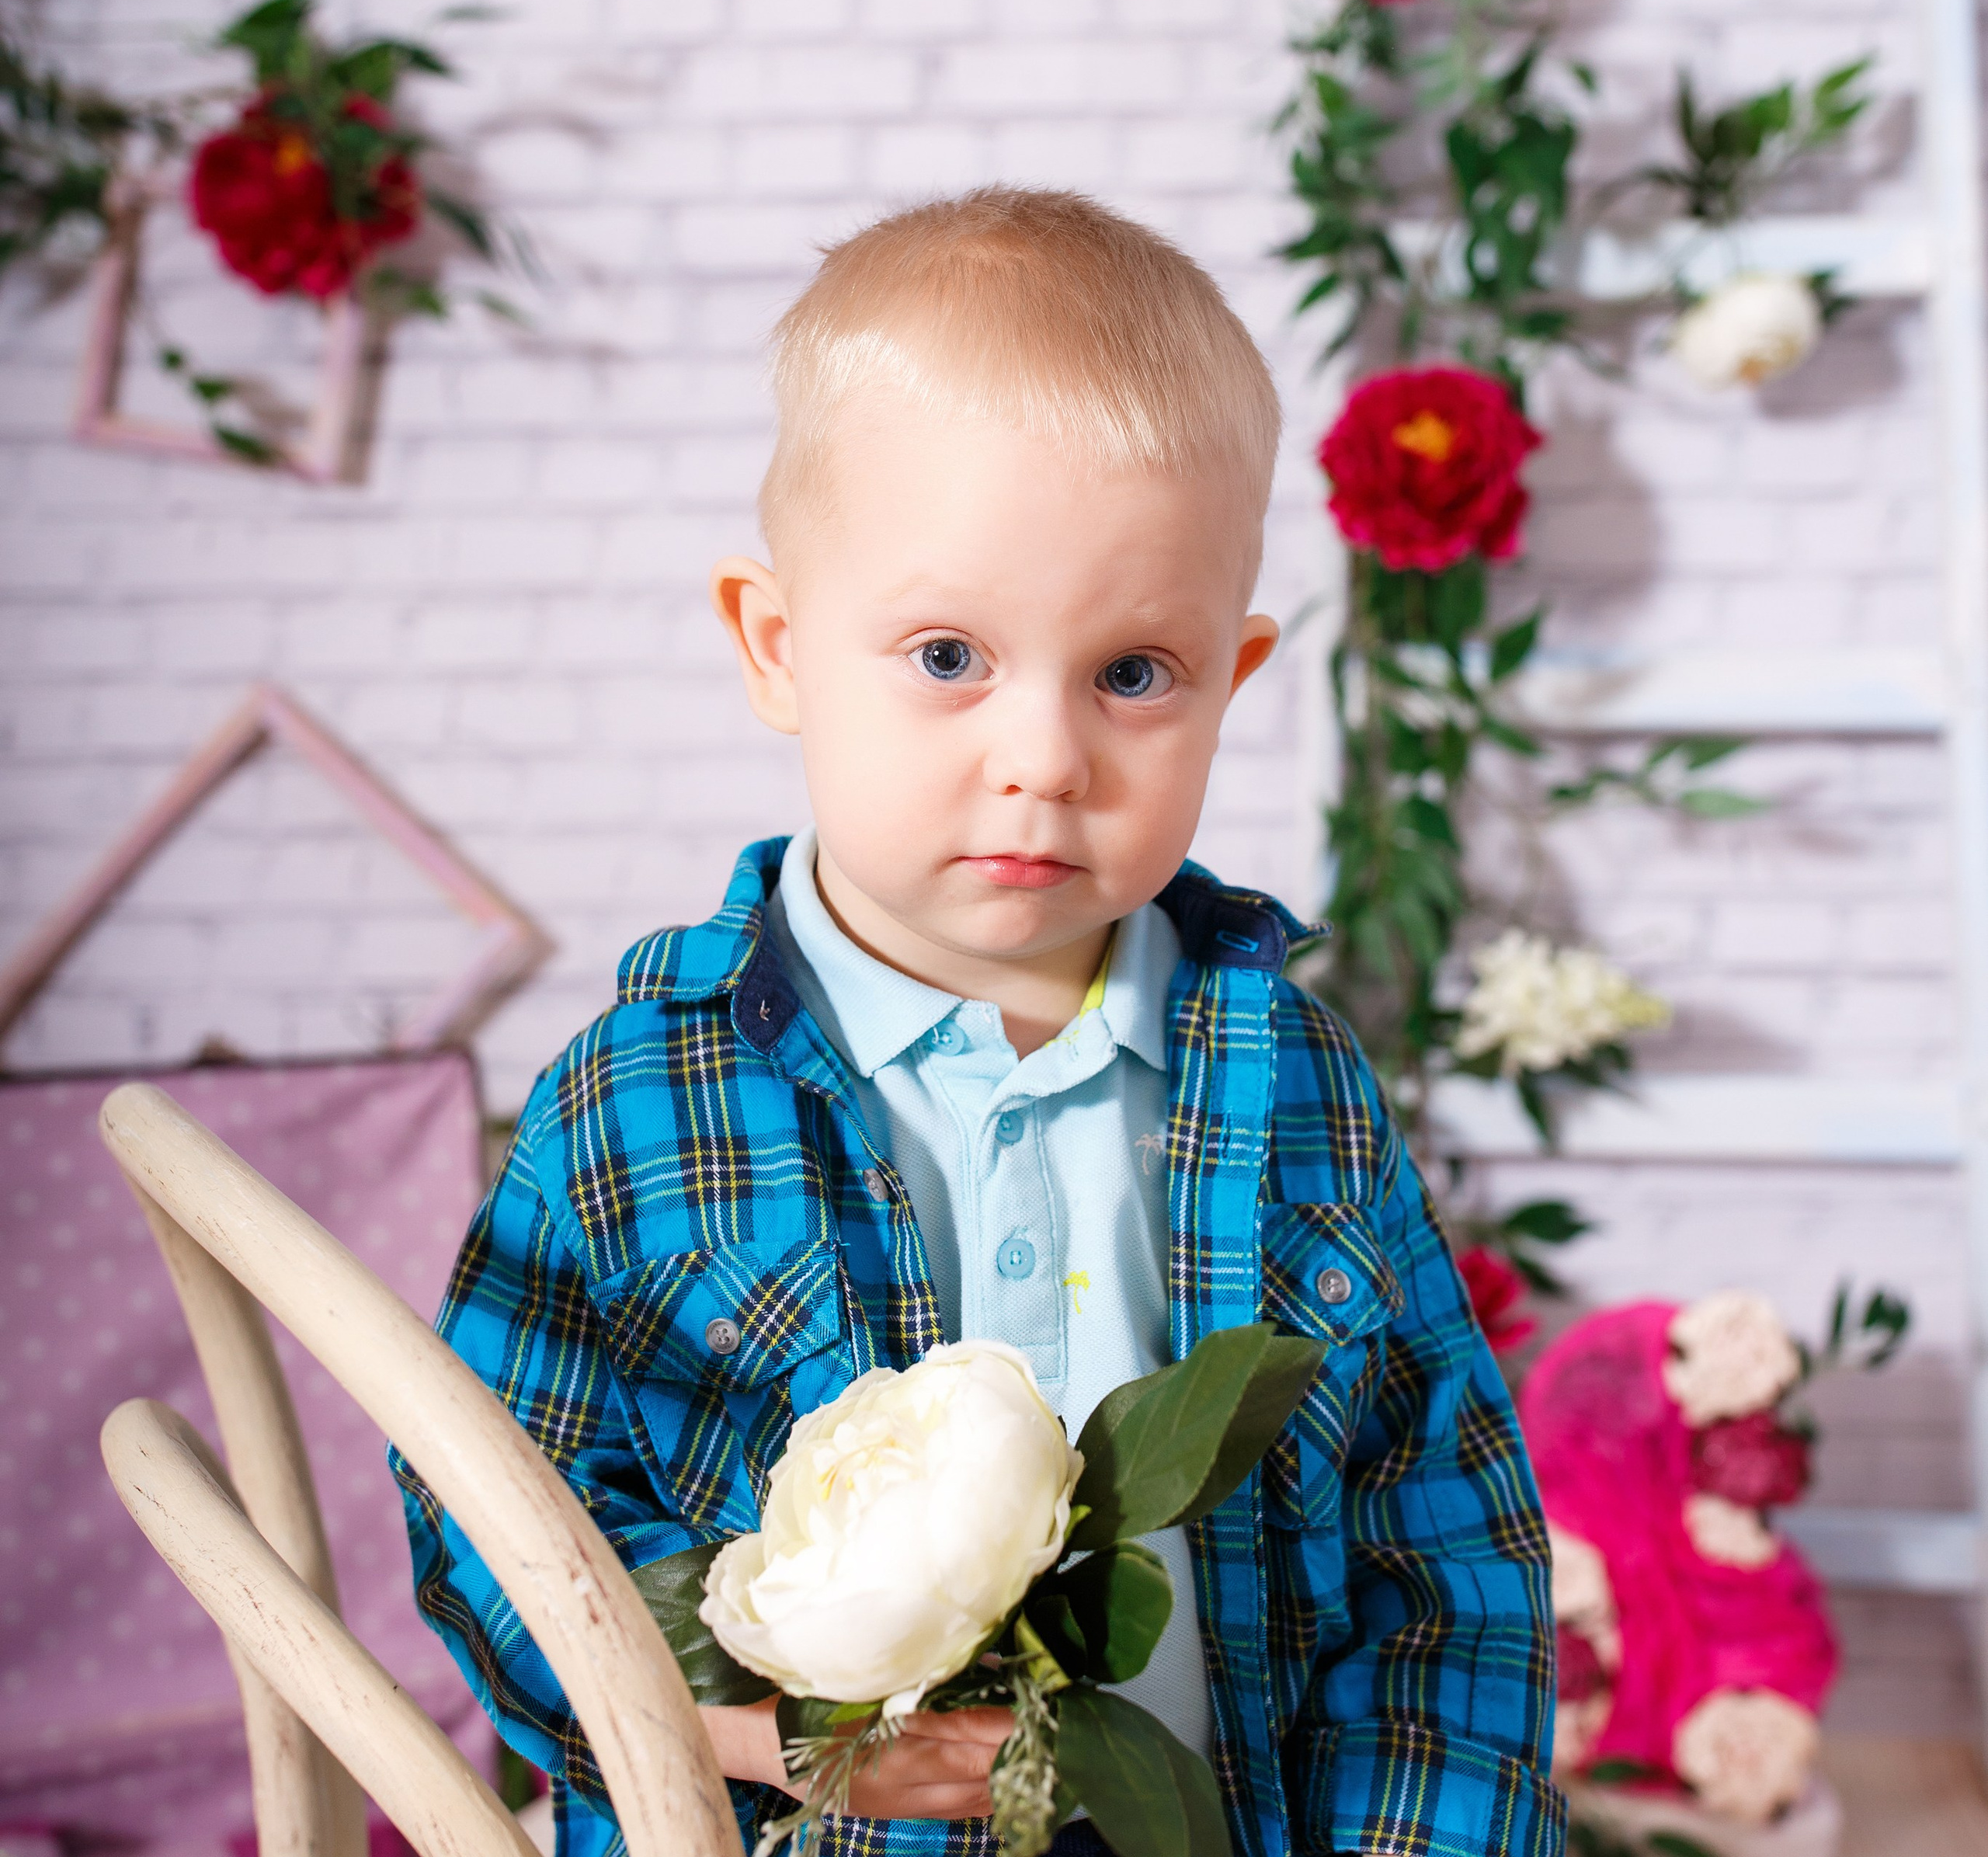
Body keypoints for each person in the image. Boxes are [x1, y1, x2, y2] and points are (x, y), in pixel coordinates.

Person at [396, 188, 1562, 1857]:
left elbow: (1438, 1542)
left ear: (1230, 681)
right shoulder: (638, 1099)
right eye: (948, 654)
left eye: (1134, 674)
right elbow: (504, 1518)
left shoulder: (1290, 1081)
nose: (1044, 758)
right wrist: (754, 1738)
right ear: (779, 646)